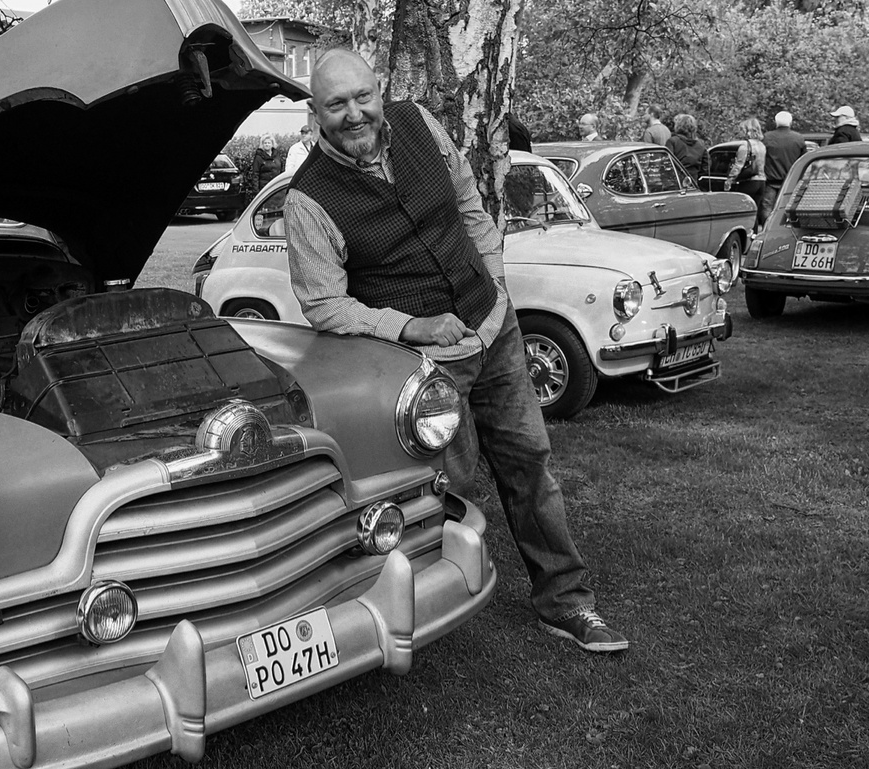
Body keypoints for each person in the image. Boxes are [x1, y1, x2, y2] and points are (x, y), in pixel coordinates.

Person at [282, 48, 628, 653]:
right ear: (315, 113)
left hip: (496, 329)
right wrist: (410, 328)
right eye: (336, 104)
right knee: (450, 490)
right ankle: (441, 609)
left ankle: (566, 601)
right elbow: (324, 305)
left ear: (380, 90)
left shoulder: (420, 124)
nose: (354, 114)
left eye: (363, 97)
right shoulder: (307, 199)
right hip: (425, 370)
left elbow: (470, 205)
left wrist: (493, 279)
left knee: (530, 465)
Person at [761, 110, 808, 224]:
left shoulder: (766, 138)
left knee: (767, 208)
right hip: (790, 181)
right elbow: (804, 160)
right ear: (790, 123)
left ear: (776, 123)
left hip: (770, 180)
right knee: (787, 208)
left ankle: (768, 229)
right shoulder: (798, 138)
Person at [725, 117, 767, 211]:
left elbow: (739, 165)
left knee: (744, 210)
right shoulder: (762, 145)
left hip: (749, 181)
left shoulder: (745, 145)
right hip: (761, 181)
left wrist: (730, 179)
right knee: (754, 211)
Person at [666, 113, 709, 186]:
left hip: (675, 184)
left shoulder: (672, 142)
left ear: (678, 126)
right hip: (693, 183)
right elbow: (706, 165)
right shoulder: (701, 145)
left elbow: (667, 164)